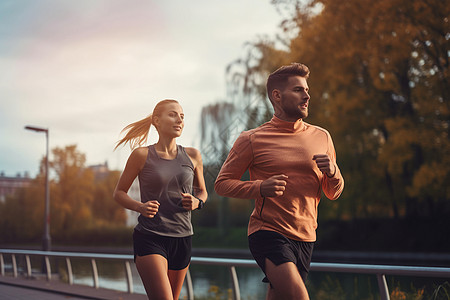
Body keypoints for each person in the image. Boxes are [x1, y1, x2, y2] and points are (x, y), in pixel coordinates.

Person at [215, 63, 344, 299]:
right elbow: (222, 183)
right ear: (277, 95)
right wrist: (260, 188)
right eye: (298, 90)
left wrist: (334, 172)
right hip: (268, 232)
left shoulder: (322, 136)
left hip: (306, 236)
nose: (307, 96)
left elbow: (333, 192)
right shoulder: (251, 139)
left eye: (306, 90)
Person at [113, 99, 207, 300]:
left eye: (182, 116)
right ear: (157, 120)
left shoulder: (193, 155)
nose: (179, 120)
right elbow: (119, 193)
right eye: (173, 114)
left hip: (183, 239)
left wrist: (197, 202)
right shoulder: (141, 155)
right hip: (150, 236)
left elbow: (203, 192)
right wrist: (140, 207)